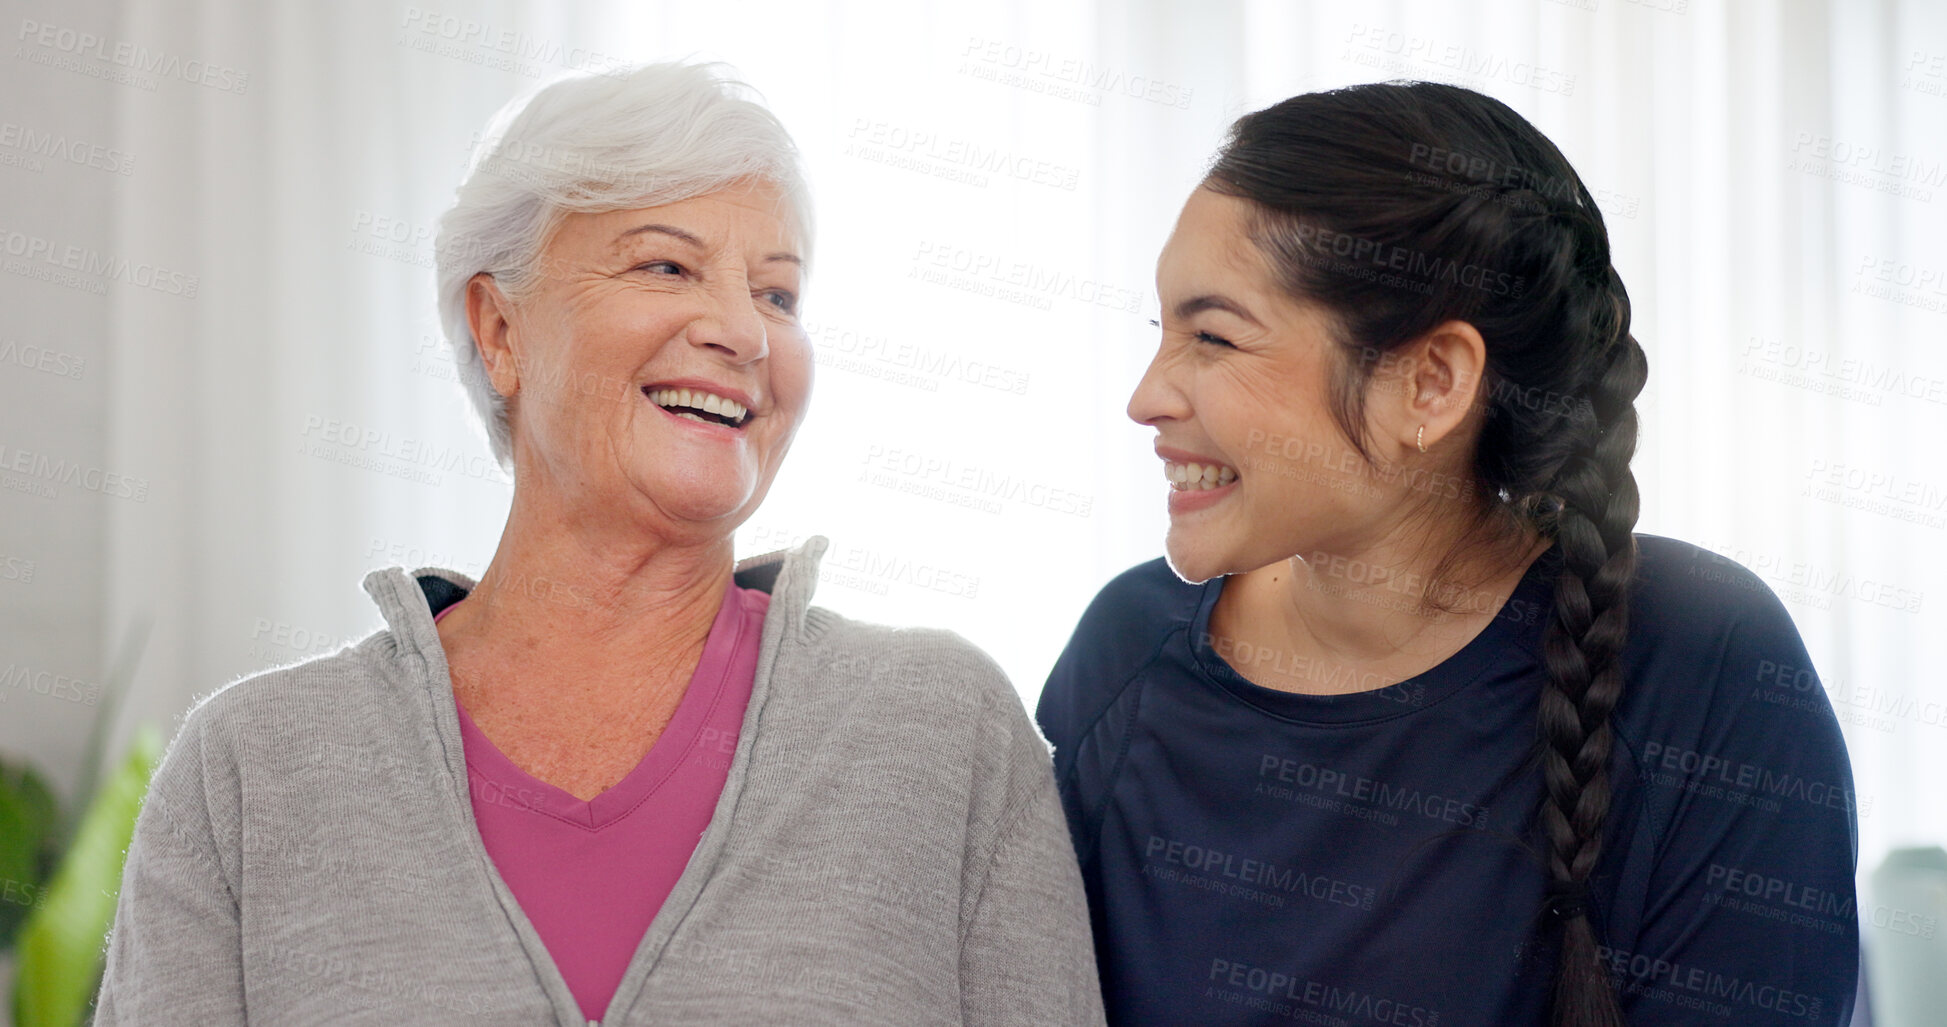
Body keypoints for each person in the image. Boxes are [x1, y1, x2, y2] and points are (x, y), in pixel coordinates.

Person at [95, 62, 1104, 1027]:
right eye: (667, 264)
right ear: (498, 330)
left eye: (778, 294)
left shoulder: (942, 733)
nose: (743, 332)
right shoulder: (250, 772)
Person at [1037, 81, 1858, 1027]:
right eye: (1161, 331)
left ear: (1430, 383)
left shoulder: (1700, 661)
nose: (1146, 397)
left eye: (1214, 337)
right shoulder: (1124, 651)